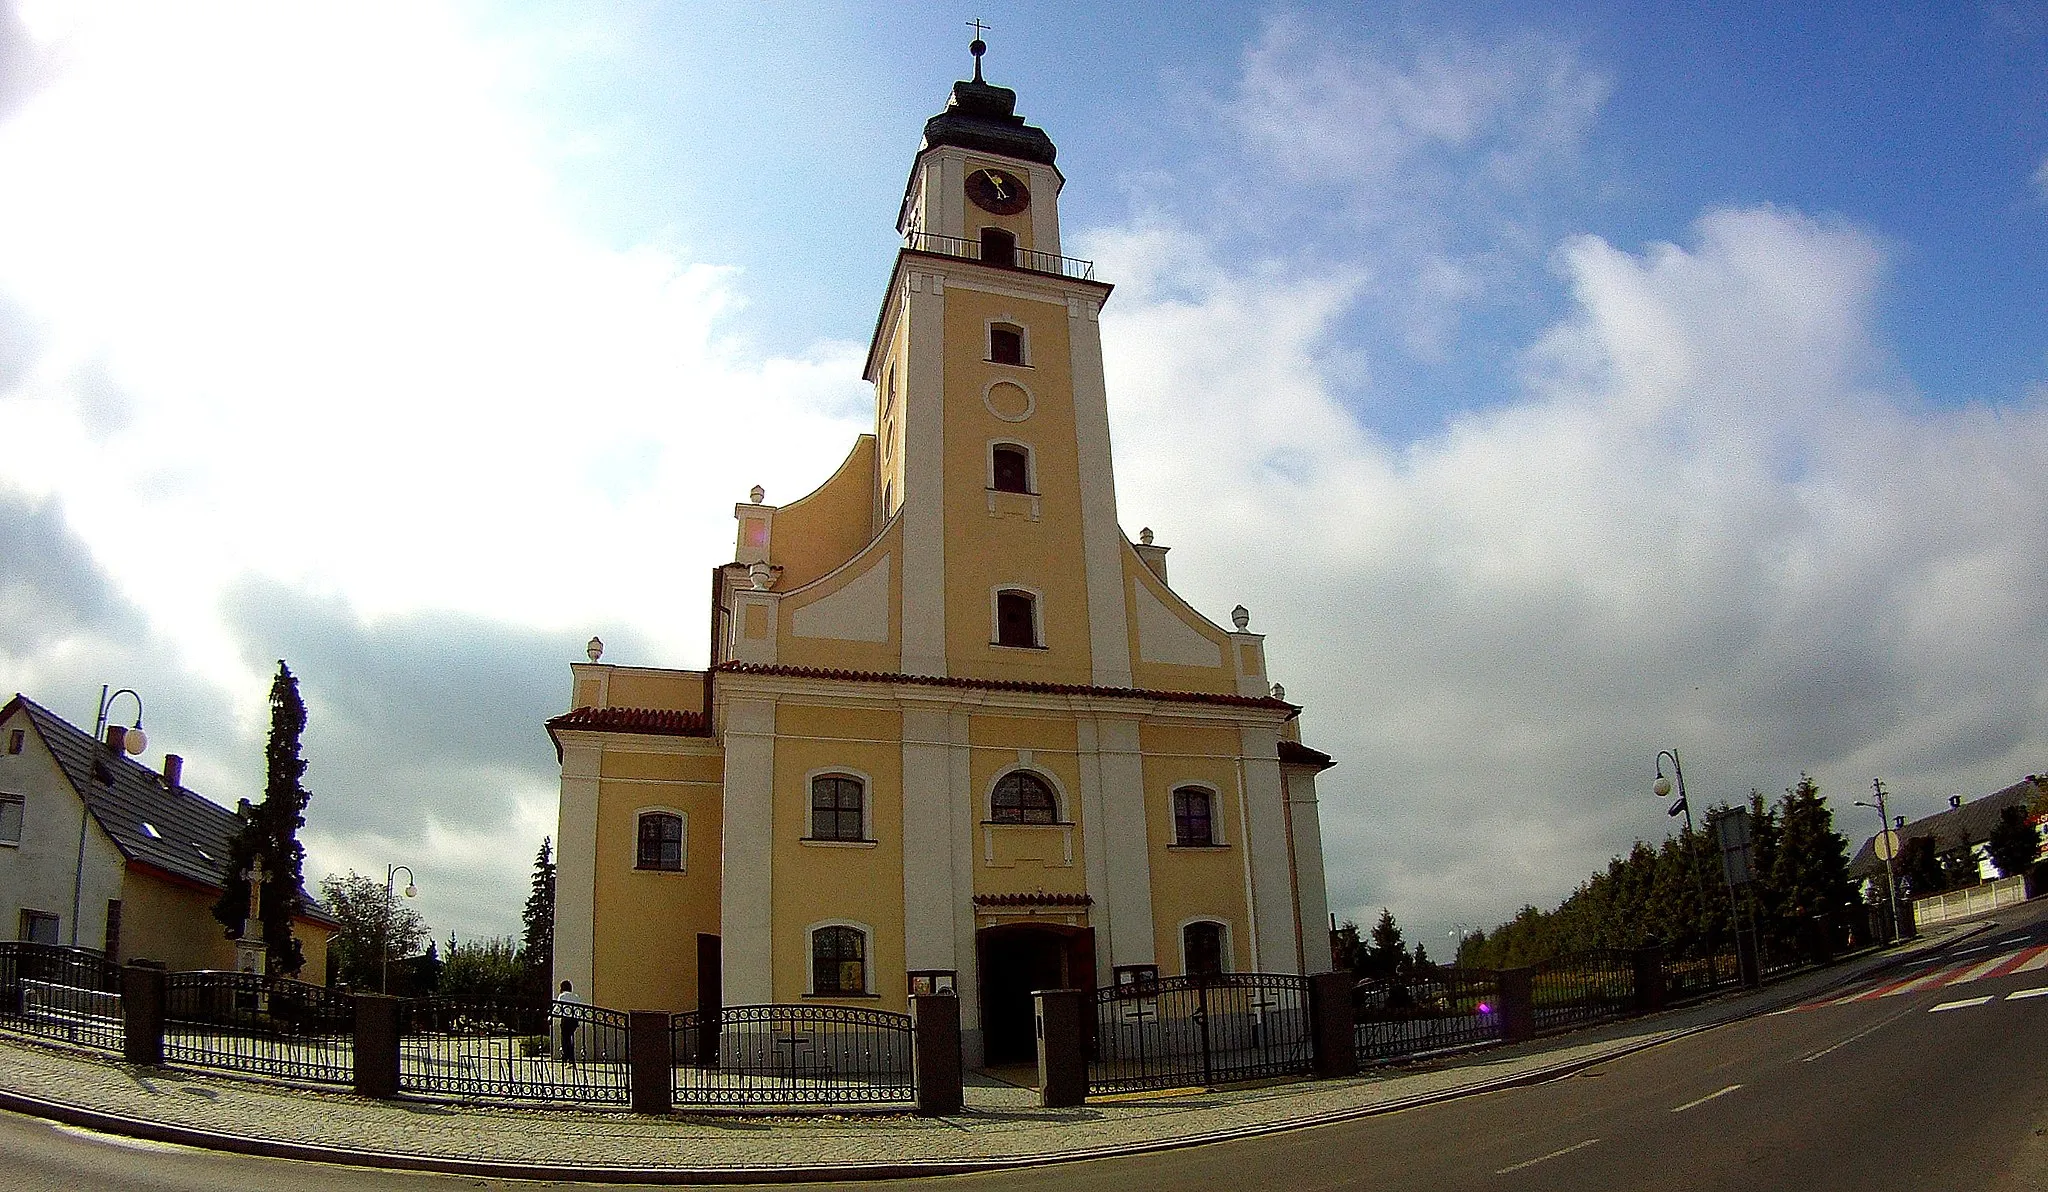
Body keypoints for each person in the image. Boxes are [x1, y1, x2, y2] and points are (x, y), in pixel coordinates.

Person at [554, 979, 585, 1063]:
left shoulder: (562, 996)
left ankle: (567, 1057)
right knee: (569, 1038)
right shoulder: (575, 996)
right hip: (574, 1020)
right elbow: (579, 1009)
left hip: (566, 1019)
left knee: (565, 1039)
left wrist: (552, 1015)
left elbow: (558, 1007)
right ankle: (570, 1058)